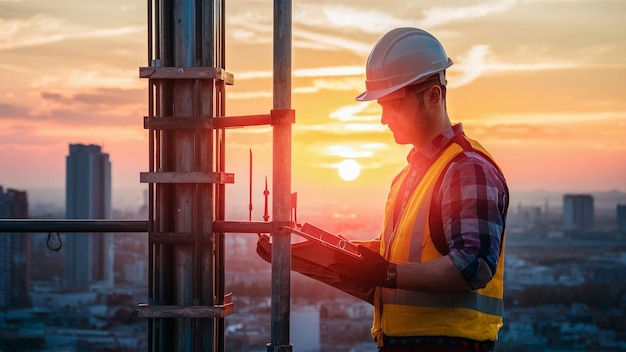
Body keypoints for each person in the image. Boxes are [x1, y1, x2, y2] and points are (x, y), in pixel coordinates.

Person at [333, 27, 509, 352]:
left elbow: (474, 265)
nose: (384, 118)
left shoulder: (466, 167)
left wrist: (385, 273)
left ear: (433, 95)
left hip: (450, 344)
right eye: (380, 106)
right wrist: (345, 256)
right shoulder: (408, 176)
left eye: (394, 104)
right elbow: (409, 255)